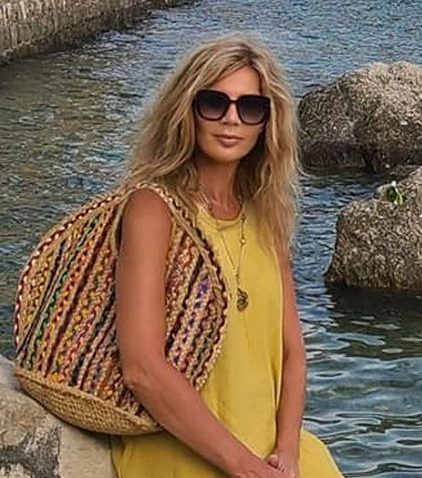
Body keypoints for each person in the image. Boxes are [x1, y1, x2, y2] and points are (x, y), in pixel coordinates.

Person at [109, 33, 343, 478]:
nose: (232, 118)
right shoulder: (154, 208)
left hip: (270, 450)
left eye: (250, 107)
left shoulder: (266, 215)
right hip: (182, 450)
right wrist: (242, 466)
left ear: (266, 122)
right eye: (214, 102)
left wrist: (288, 452)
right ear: (187, 109)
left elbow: (293, 352)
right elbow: (142, 369)